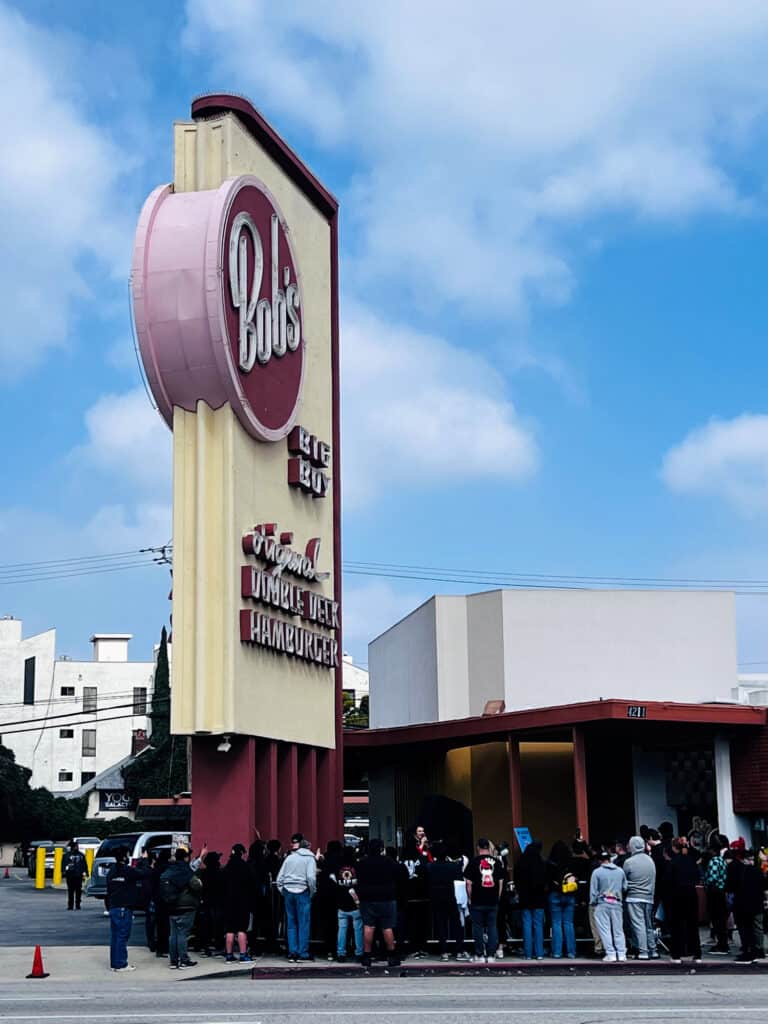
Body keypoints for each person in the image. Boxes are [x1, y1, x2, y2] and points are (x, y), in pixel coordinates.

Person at [356, 838, 402, 968]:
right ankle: (392, 955)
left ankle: (367, 956)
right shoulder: (389, 862)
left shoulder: (362, 863)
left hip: (367, 897)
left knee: (368, 926)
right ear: (382, 849)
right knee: (387, 927)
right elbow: (398, 875)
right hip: (387, 897)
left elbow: (358, 878)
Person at [276, 834, 317, 963]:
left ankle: (292, 952)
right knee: (304, 923)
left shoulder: (289, 858)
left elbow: (279, 878)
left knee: (291, 923)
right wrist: (312, 891)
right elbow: (311, 878)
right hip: (302, 891)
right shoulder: (310, 859)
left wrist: (283, 890)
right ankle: (302, 952)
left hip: (288, 891)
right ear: (308, 848)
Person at [161, 847, 203, 969]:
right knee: (182, 933)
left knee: (173, 934)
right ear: (185, 857)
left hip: (171, 905)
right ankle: (184, 960)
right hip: (186, 906)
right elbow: (196, 885)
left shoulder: (169, 870)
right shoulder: (186, 870)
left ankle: (173, 961)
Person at [464, 838, 505, 963]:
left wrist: (470, 898)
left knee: (478, 927)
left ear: (478, 848)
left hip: (477, 899)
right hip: (492, 900)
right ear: (489, 847)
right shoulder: (497, 862)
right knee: (492, 927)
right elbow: (501, 883)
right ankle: (492, 955)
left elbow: (468, 883)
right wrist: (497, 897)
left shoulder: (473, 862)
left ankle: (480, 955)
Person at [426, 841, 468, 961]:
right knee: (456, 923)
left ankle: (444, 951)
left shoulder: (430, 866)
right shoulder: (453, 867)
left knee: (441, 924)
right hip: (451, 896)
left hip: (436, 897)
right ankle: (459, 950)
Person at [666, 836, 702, 964]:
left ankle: (677, 954)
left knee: (677, 925)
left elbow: (668, 881)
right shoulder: (692, 861)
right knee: (693, 924)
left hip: (677, 895)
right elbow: (697, 878)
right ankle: (697, 954)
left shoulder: (673, 862)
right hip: (691, 894)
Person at [589, 849, 628, 962]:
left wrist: (593, 902)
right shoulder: (620, 871)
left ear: (600, 861)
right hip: (617, 902)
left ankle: (610, 953)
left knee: (605, 930)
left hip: (602, 903)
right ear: (610, 859)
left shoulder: (597, 872)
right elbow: (625, 887)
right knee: (618, 929)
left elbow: (593, 891)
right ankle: (621, 953)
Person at [623, 836, 658, 960]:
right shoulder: (650, 860)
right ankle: (653, 950)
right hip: (649, 897)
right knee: (649, 925)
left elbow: (624, 880)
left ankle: (643, 951)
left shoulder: (629, 862)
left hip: (634, 897)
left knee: (638, 924)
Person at [105, 847, 139, 972]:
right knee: (122, 936)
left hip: (114, 907)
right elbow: (143, 874)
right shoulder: (127, 871)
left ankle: (115, 963)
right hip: (124, 908)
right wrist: (145, 861)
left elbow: (108, 890)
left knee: (115, 936)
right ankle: (121, 964)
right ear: (125, 857)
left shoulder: (112, 871)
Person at [731, 848, 767, 964]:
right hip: (757, 903)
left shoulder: (740, 871)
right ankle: (759, 949)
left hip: (744, 904)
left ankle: (749, 951)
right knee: (758, 927)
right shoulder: (757, 871)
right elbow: (764, 885)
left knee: (746, 928)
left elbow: (732, 887)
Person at [513, 840, 547, 960]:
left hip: (525, 898)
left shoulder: (520, 863)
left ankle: (528, 953)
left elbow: (516, 880)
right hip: (539, 898)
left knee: (527, 925)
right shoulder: (541, 863)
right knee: (538, 925)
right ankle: (539, 953)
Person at [221, 843, 254, 963]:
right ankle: (243, 954)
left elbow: (222, 885)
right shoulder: (246, 867)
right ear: (242, 853)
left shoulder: (226, 868)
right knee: (241, 929)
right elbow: (252, 885)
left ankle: (229, 955)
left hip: (228, 902)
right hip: (242, 902)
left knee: (229, 929)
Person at [546, 840, 577, 958]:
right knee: (568, 923)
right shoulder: (571, 862)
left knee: (556, 923)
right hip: (569, 894)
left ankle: (557, 952)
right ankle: (571, 951)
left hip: (555, 894)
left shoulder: (551, 863)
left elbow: (548, 880)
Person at [332, 846, 363, 962]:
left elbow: (335, 883)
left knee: (342, 929)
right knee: (358, 929)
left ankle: (341, 953)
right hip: (355, 902)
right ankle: (359, 953)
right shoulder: (357, 866)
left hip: (342, 902)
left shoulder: (338, 867)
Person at [703, 836, 729, 955]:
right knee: (722, 920)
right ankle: (723, 943)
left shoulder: (714, 861)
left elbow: (712, 879)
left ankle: (721, 945)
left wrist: (705, 882)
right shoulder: (722, 860)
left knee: (717, 919)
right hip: (722, 891)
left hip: (715, 892)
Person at [62, 839, 88, 911]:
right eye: (76, 846)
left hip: (78, 875)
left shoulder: (81, 855)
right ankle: (70, 905)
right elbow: (63, 864)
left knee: (78, 891)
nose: (77, 847)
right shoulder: (67, 855)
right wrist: (63, 872)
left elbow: (84, 865)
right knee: (71, 891)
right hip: (70, 875)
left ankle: (77, 905)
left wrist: (86, 872)